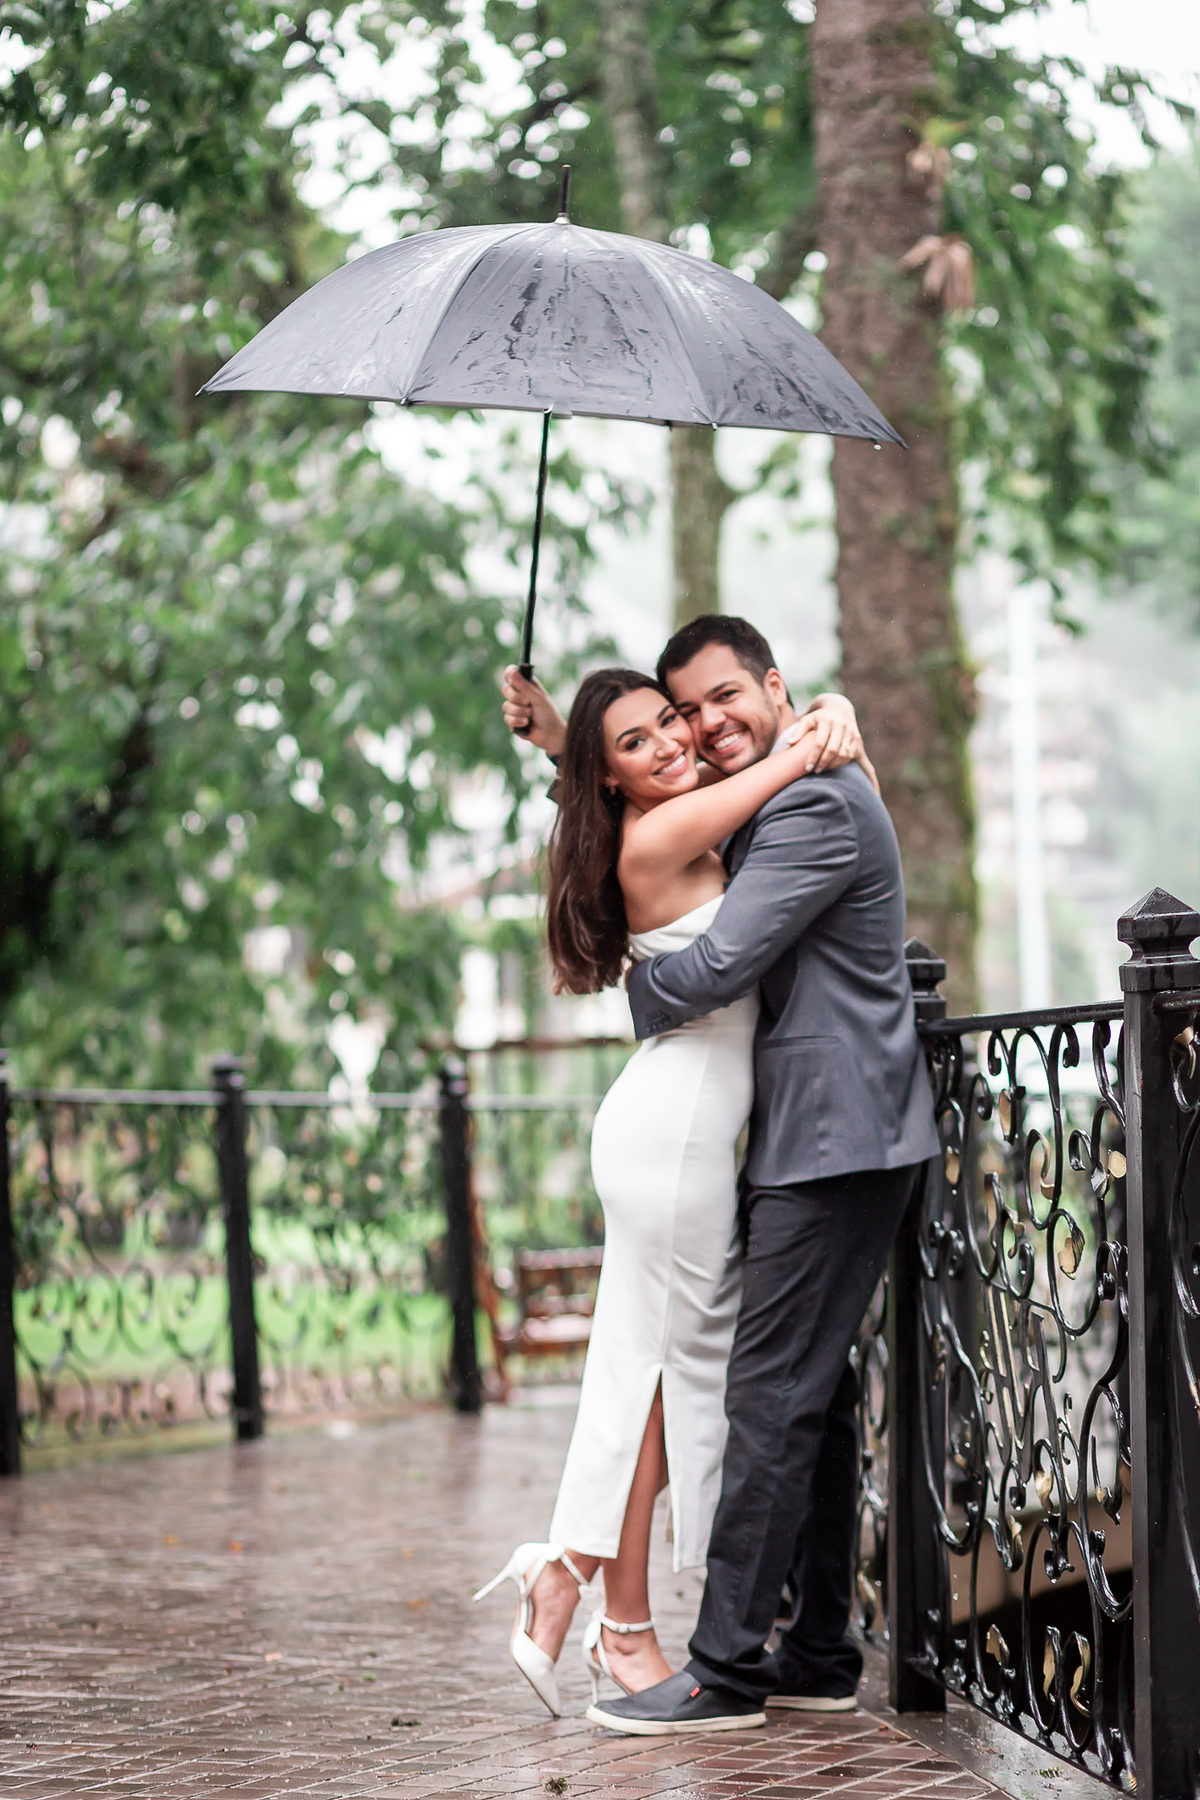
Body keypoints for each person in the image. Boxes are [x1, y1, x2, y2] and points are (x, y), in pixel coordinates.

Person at [501, 615, 938, 1737]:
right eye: (683, 713)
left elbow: (718, 961)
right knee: (806, 1394)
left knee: (764, 1394)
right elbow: (650, 822)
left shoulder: (812, 804)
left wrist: (643, 1001)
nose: (703, 727)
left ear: (774, 686)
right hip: (760, 1130)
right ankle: (814, 1648)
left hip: (825, 1133)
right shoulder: (780, 790)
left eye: (721, 700)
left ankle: (727, 1668)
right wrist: (570, 752)